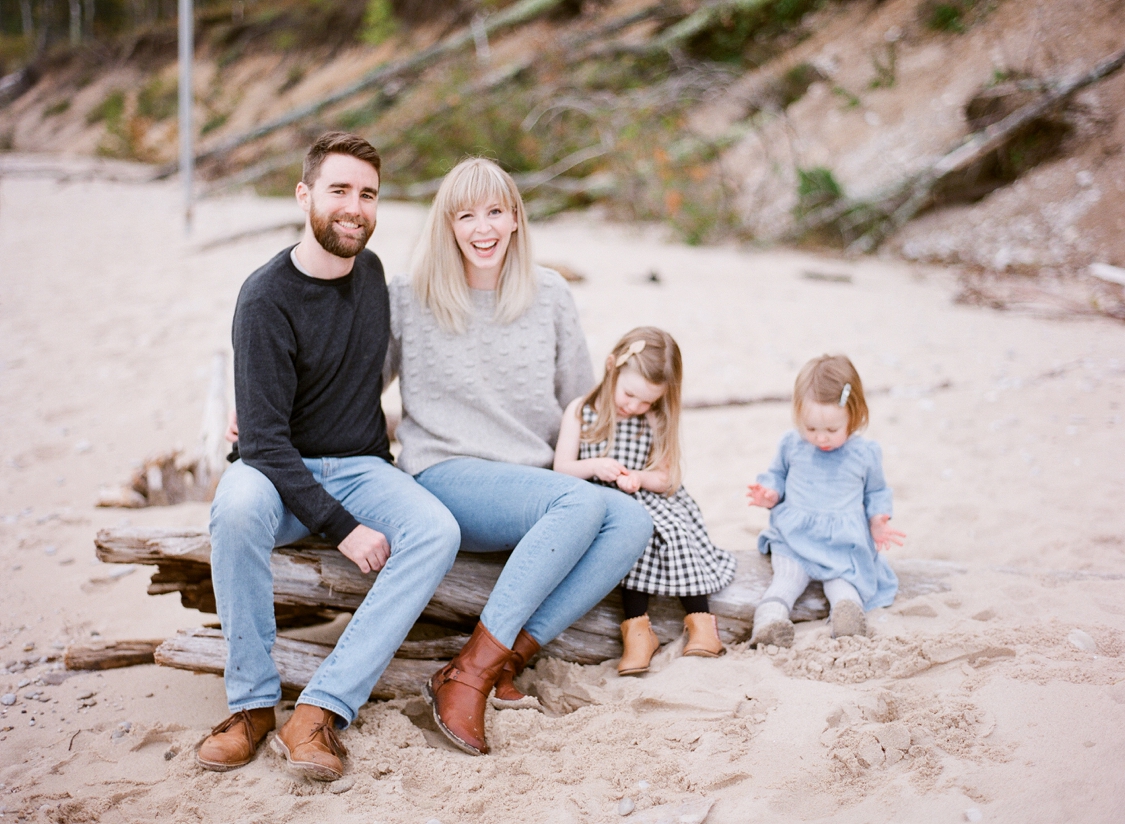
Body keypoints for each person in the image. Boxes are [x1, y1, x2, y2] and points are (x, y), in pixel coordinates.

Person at [198, 132, 460, 781]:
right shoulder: (265, 297)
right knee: (234, 512)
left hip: (362, 466)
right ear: (304, 194)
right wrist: (343, 531)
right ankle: (253, 706)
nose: (354, 207)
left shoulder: (371, 276)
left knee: (436, 530)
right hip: (273, 468)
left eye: (367, 194)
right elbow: (260, 442)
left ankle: (319, 709)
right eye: (339, 190)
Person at [384, 157, 653, 756]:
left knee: (632, 520)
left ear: (515, 219)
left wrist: (638, 451)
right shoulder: (408, 294)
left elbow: (579, 401)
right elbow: (357, 389)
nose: (483, 228)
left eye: (497, 212)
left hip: (536, 486)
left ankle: (503, 663)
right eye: (466, 214)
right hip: (446, 474)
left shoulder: (550, 291)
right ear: (447, 223)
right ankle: (469, 675)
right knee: (576, 503)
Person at [553, 327, 736, 676]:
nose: (634, 406)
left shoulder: (652, 419)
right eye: (630, 394)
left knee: (674, 533)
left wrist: (639, 478)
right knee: (629, 546)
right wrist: (595, 466)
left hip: (649, 500)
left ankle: (701, 623)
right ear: (611, 367)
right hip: (603, 504)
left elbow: (665, 477)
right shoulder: (581, 411)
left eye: (646, 401)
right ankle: (638, 633)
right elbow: (562, 468)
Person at [746, 354, 905, 647]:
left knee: (844, 583)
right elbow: (776, 476)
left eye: (832, 430)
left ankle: (847, 620)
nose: (821, 438)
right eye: (811, 428)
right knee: (786, 580)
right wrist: (770, 494)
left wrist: (878, 521)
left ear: (854, 416)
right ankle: (770, 624)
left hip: (841, 543)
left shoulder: (864, 453)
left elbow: (876, 493)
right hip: (795, 536)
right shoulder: (791, 444)